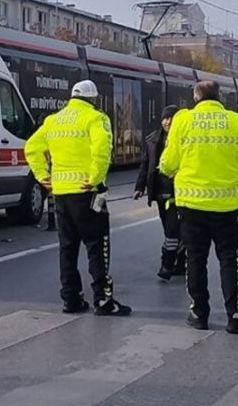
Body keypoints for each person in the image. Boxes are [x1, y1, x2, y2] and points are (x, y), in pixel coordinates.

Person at [159, 80, 238, 334]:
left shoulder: (182, 120)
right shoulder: (237, 121)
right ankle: (236, 316)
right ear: (220, 97)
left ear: (196, 98)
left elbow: (168, 162)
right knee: (229, 259)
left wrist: (171, 169)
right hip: (225, 205)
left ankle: (198, 314)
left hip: (191, 204)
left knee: (195, 259)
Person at [25, 80, 131, 316]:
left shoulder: (53, 121)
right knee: (97, 246)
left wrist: (43, 176)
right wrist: (95, 179)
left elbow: (31, 147)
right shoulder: (96, 118)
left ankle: (71, 299)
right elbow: (102, 150)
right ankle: (103, 300)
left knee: (67, 247)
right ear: (92, 99)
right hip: (86, 193)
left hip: (61, 193)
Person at [133, 105, 185, 281]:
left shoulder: (186, 138)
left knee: (174, 230)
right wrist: (139, 187)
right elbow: (145, 165)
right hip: (162, 193)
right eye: (165, 118)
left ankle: (167, 265)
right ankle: (180, 263)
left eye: (171, 118)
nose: (168, 121)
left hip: (182, 192)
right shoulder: (152, 140)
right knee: (171, 229)